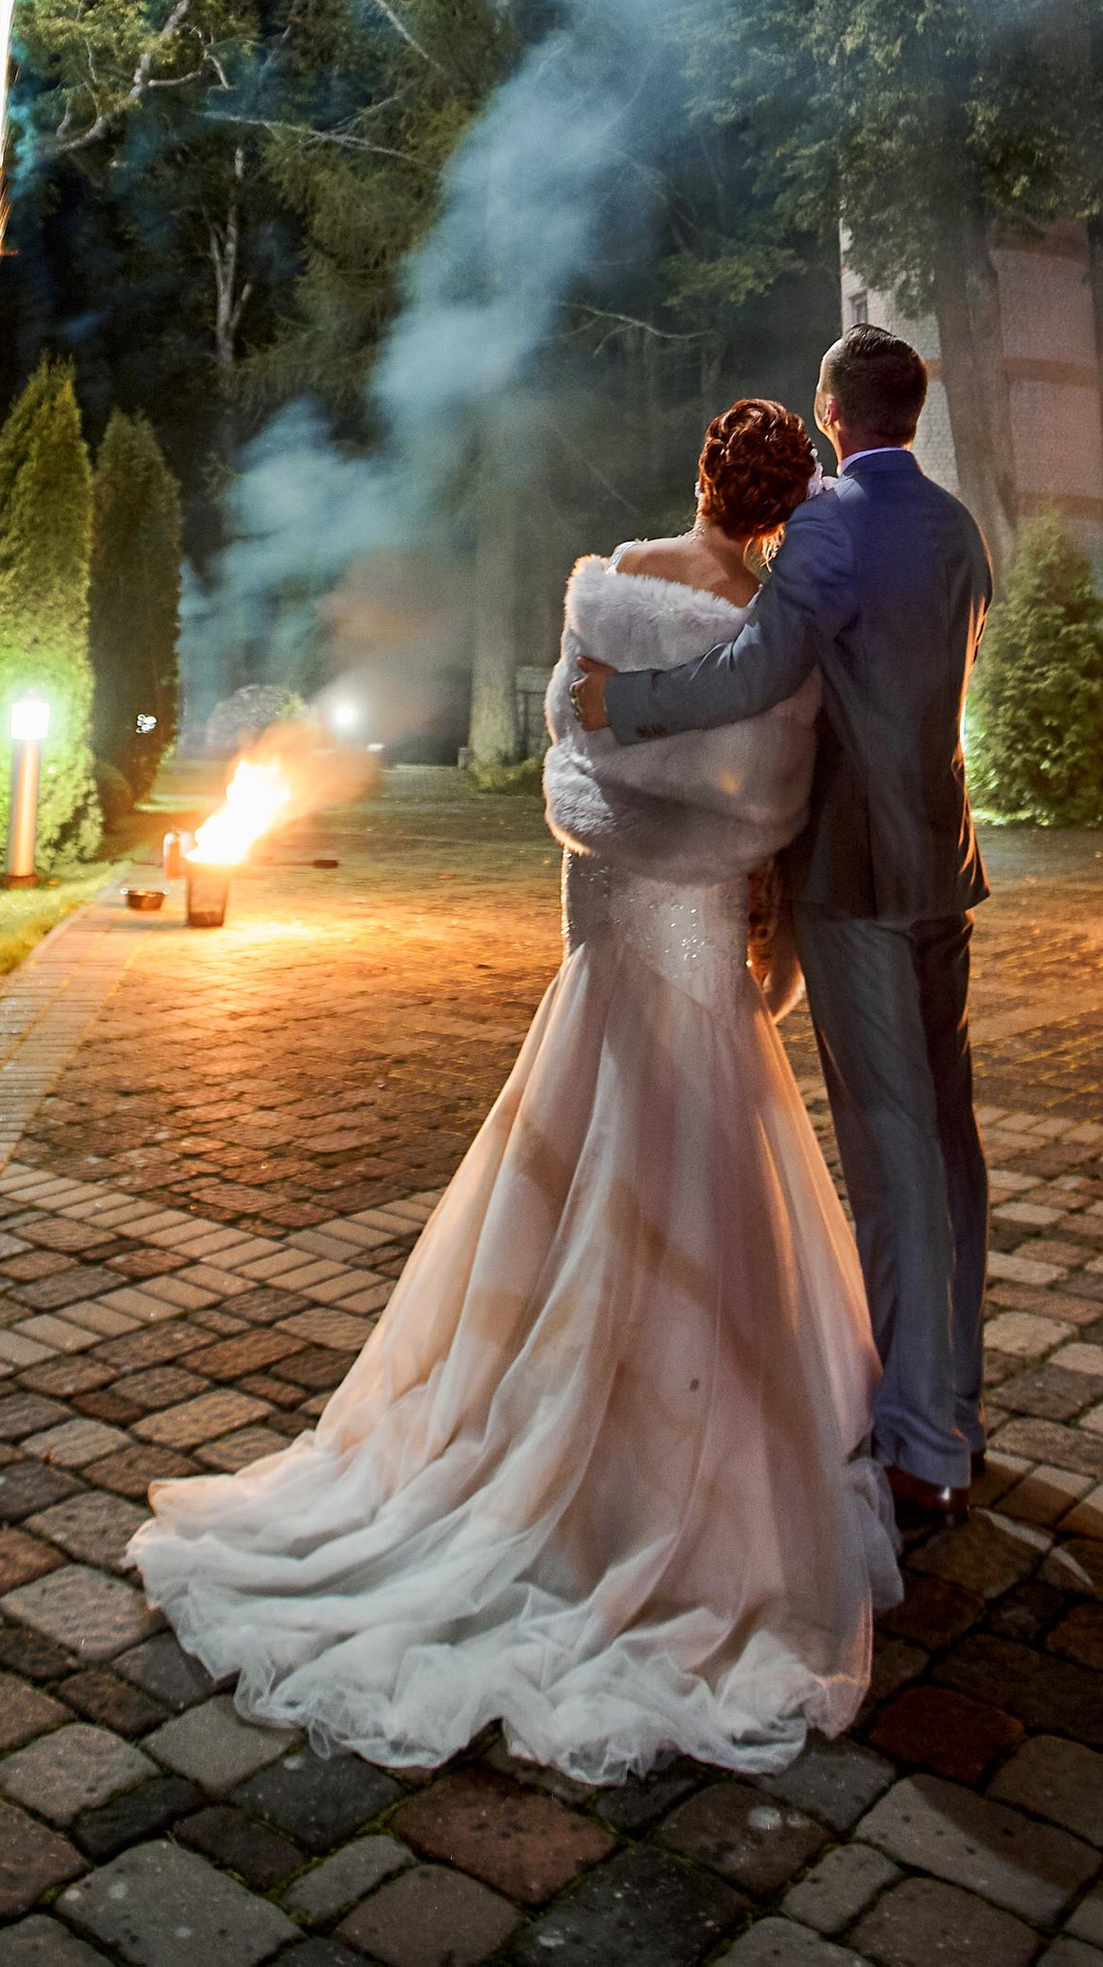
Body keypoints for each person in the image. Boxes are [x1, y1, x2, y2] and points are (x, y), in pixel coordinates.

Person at [128, 395, 897, 1783]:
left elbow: (571, 754)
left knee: (567, 1183)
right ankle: (651, 1480)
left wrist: (610, 869)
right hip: (702, 935)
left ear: (702, 478)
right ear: (782, 512)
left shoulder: (607, 585)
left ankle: (531, 1445)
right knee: (698, 1202)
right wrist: (751, 903)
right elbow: (771, 805)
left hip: (610, 929)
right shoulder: (771, 640)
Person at [574, 323, 992, 1524]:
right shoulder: (956, 528)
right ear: (910, 414)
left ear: (833, 412)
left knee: (891, 1144)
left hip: (856, 875)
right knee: (953, 1144)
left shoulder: (830, 527)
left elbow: (757, 671)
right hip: (943, 868)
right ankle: (955, 1399)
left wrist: (625, 704)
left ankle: (917, 1445)